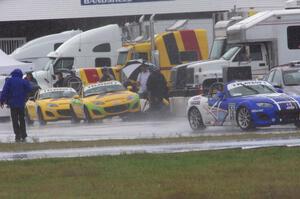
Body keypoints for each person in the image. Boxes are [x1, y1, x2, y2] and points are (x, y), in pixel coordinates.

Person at [0, 69, 32, 142]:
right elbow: (30, 89)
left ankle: (17, 135)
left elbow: (4, 92)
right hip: (21, 104)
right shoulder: (23, 81)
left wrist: (1, 101)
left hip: (13, 104)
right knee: (22, 119)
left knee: (14, 120)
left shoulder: (9, 81)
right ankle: (24, 135)